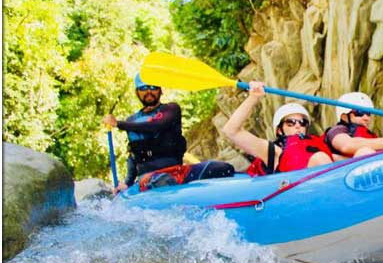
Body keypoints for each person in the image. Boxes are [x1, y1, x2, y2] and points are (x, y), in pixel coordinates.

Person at [103, 73, 233, 193]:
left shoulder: (171, 109)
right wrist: (127, 183)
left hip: (178, 172)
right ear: (137, 92)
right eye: (143, 88)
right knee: (160, 180)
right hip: (148, 177)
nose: (148, 91)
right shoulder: (131, 121)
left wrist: (119, 124)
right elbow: (133, 156)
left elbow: (156, 126)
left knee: (223, 168)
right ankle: (158, 184)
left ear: (160, 90)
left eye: (153, 87)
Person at [222, 81, 333, 176]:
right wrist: (253, 97)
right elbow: (231, 130)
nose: (298, 125)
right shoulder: (273, 151)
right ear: (280, 130)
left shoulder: (317, 144)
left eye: (302, 122)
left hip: (325, 182)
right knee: (320, 158)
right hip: (298, 191)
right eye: (291, 122)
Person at [324, 92, 383, 159]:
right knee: (365, 152)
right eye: (360, 113)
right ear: (344, 116)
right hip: (343, 176)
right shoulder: (336, 130)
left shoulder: (371, 137)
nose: (366, 118)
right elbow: (346, 145)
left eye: (368, 113)